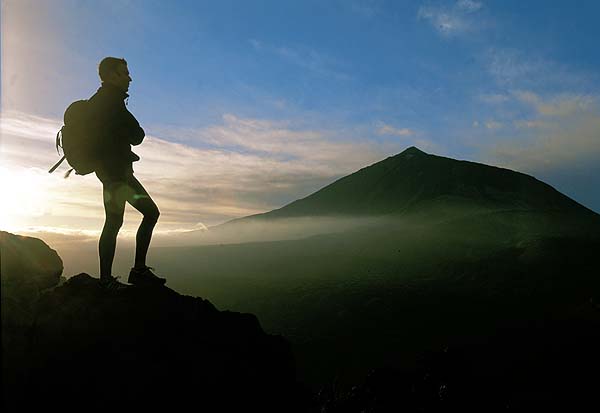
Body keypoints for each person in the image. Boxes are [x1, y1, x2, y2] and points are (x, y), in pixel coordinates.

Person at [90, 57, 165, 289]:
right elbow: (137, 135)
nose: (130, 78)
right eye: (125, 73)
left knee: (116, 221)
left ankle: (114, 277)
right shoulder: (112, 102)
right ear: (112, 76)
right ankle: (127, 274)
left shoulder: (99, 101)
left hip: (113, 174)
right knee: (139, 216)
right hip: (117, 175)